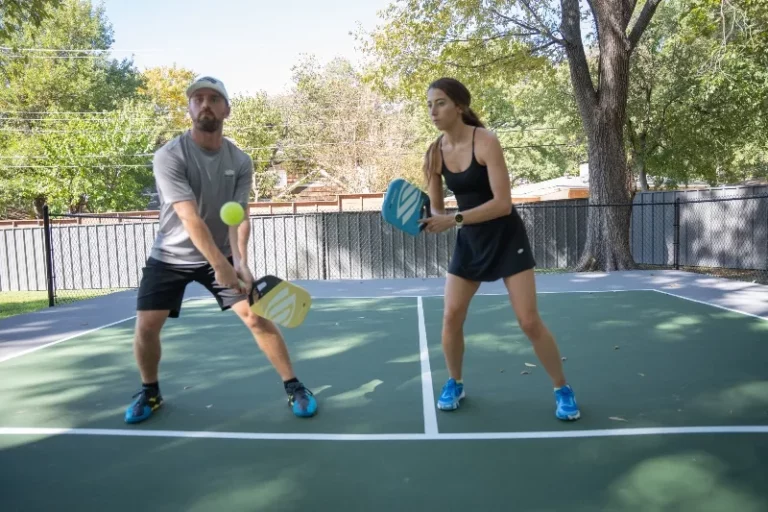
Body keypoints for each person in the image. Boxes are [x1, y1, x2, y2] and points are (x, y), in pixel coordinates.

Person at [124, 76, 317, 424]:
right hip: (170, 256)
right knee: (147, 326)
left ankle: (294, 386)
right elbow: (189, 217)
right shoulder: (169, 156)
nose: (205, 104)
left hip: (223, 254)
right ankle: (150, 392)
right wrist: (221, 265)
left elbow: (238, 215)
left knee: (256, 317)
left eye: (214, 98)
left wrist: (239, 260)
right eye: (197, 98)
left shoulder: (240, 160)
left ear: (226, 109)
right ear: (189, 108)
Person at [417, 77, 580, 421]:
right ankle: (455, 382)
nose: (433, 110)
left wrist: (453, 219)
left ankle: (562, 388)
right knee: (450, 316)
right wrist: (434, 220)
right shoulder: (434, 153)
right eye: (429, 104)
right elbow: (436, 208)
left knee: (528, 321)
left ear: (459, 106)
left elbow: (503, 204)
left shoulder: (486, 141)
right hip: (470, 242)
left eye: (441, 102)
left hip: (506, 238)